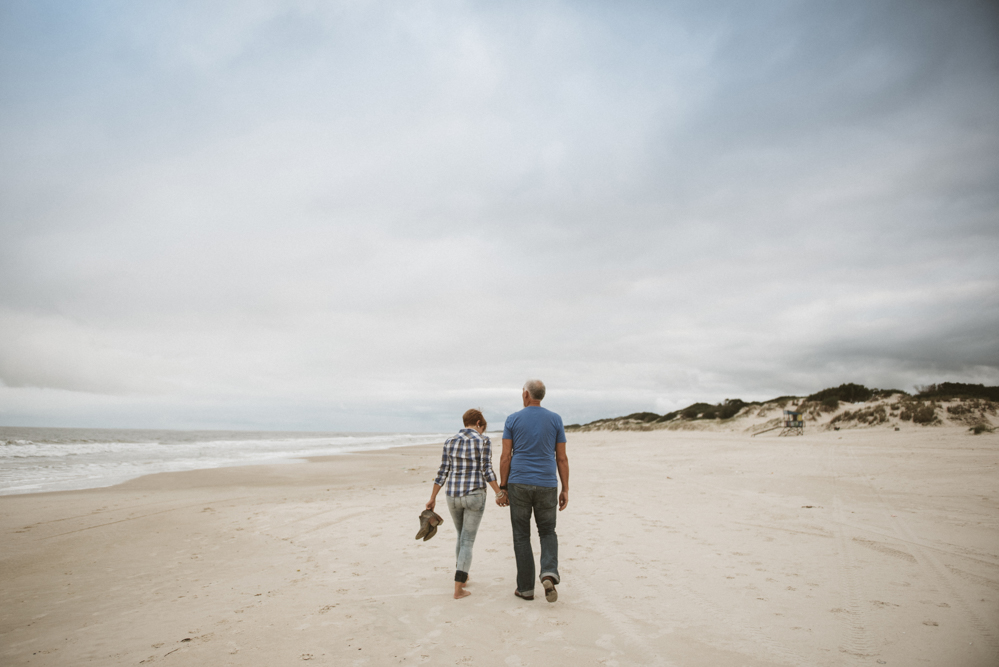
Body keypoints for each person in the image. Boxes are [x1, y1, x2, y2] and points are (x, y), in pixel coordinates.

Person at [426, 408, 507, 599]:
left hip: (452, 495)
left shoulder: (450, 441)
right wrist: (499, 493)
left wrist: (432, 498)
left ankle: (463, 576)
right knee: (468, 540)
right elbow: (486, 469)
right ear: (479, 423)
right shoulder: (483, 441)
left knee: (461, 536)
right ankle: (458, 588)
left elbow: (442, 471)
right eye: (482, 427)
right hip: (474, 495)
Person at [499, 379, 569, 603]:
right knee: (548, 531)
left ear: (527, 395)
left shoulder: (513, 419)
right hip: (547, 482)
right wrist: (565, 488)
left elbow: (505, 456)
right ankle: (548, 572)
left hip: (518, 482)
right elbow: (562, 458)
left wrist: (503, 486)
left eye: (523, 392)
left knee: (521, 535)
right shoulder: (555, 419)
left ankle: (526, 588)